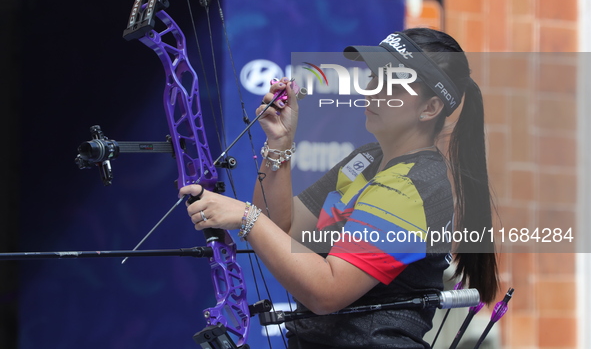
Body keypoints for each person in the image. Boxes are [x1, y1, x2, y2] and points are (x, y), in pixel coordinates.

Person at [179, 28, 499, 348]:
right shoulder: (367, 159)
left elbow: (327, 292)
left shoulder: (414, 186)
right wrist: (279, 144)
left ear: (429, 109)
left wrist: (246, 216)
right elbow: (285, 230)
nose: (373, 90)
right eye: (375, 77)